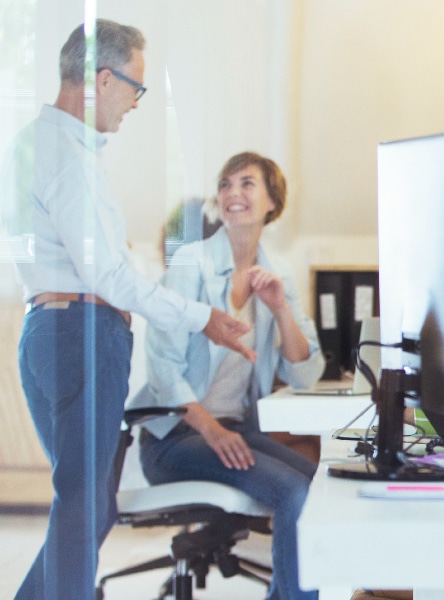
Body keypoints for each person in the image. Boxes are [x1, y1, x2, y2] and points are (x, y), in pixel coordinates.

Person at [0, 20, 254, 599]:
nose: (138, 102)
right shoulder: (66, 156)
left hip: (51, 330)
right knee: (85, 508)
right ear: (102, 78)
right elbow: (108, 277)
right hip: (81, 333)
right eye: (137, 87)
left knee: (86, 507)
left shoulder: (35, 143)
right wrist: (202, 317)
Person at [127, 152, 323, 600]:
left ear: (273, 201)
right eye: (227, 183)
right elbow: (162, 369)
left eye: (248, 183)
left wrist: (280, 308)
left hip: (232, 431)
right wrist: (212, 431)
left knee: (318, 484)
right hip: (174, 437)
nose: (234, 193)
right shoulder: (189, 263)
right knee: (293, 492)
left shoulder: (279, 273)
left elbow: (305, 370)